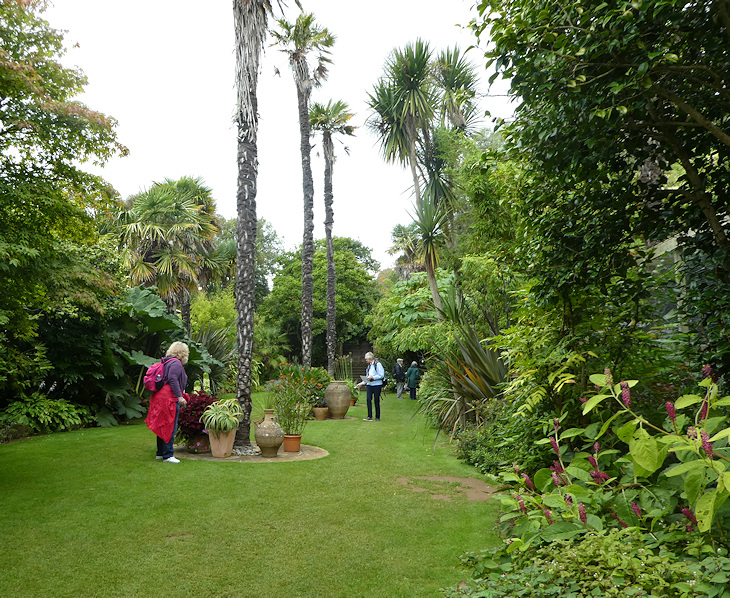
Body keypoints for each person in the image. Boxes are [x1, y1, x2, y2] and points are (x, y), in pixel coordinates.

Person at [145, 341, 189, 463]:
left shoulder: (167, 362)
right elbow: (173, 379)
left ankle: (160, 453)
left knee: (162, 424)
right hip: (168, 398)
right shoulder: (176, 363)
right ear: (183, 353)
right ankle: (168, 455)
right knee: (170, 426)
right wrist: (179, 396)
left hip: (159, 397)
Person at [356, 351, 385, 421]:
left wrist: (372, 377)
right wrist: (361, 383)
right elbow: (367, 377)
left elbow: (381, 375)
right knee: (368, 399)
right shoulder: (369, 366)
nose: (366, 360)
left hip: (377, 385)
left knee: (376, 400)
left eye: (367, 359)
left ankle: (377, 417)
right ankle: (369, 416)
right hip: (369, 384)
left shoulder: (378, 364)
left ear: (370, 358)